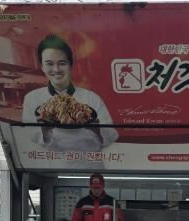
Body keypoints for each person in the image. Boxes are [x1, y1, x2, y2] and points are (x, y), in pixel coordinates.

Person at [21, 34, 118, 165]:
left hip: (90, 167)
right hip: (54, 167)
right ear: (42, 67)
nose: (56, 69)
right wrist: (45, 133)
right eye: (49, 64)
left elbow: (112, 135)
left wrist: (98, 131)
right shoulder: (32, 98)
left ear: (71, 66)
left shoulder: (91, 97)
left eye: (62, 63)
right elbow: (28, 138)